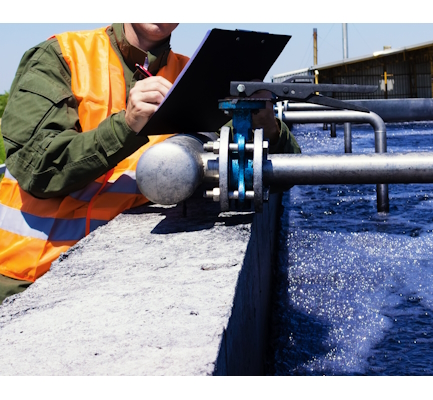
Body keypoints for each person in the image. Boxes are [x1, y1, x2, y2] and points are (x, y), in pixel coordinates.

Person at [0, 23, 301, 303]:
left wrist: (267, 128)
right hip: (28, 276)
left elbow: (281, 176)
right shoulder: (61, 56)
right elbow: (36, 167)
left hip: (123, 281)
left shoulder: (193, 77)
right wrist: (126, 126)